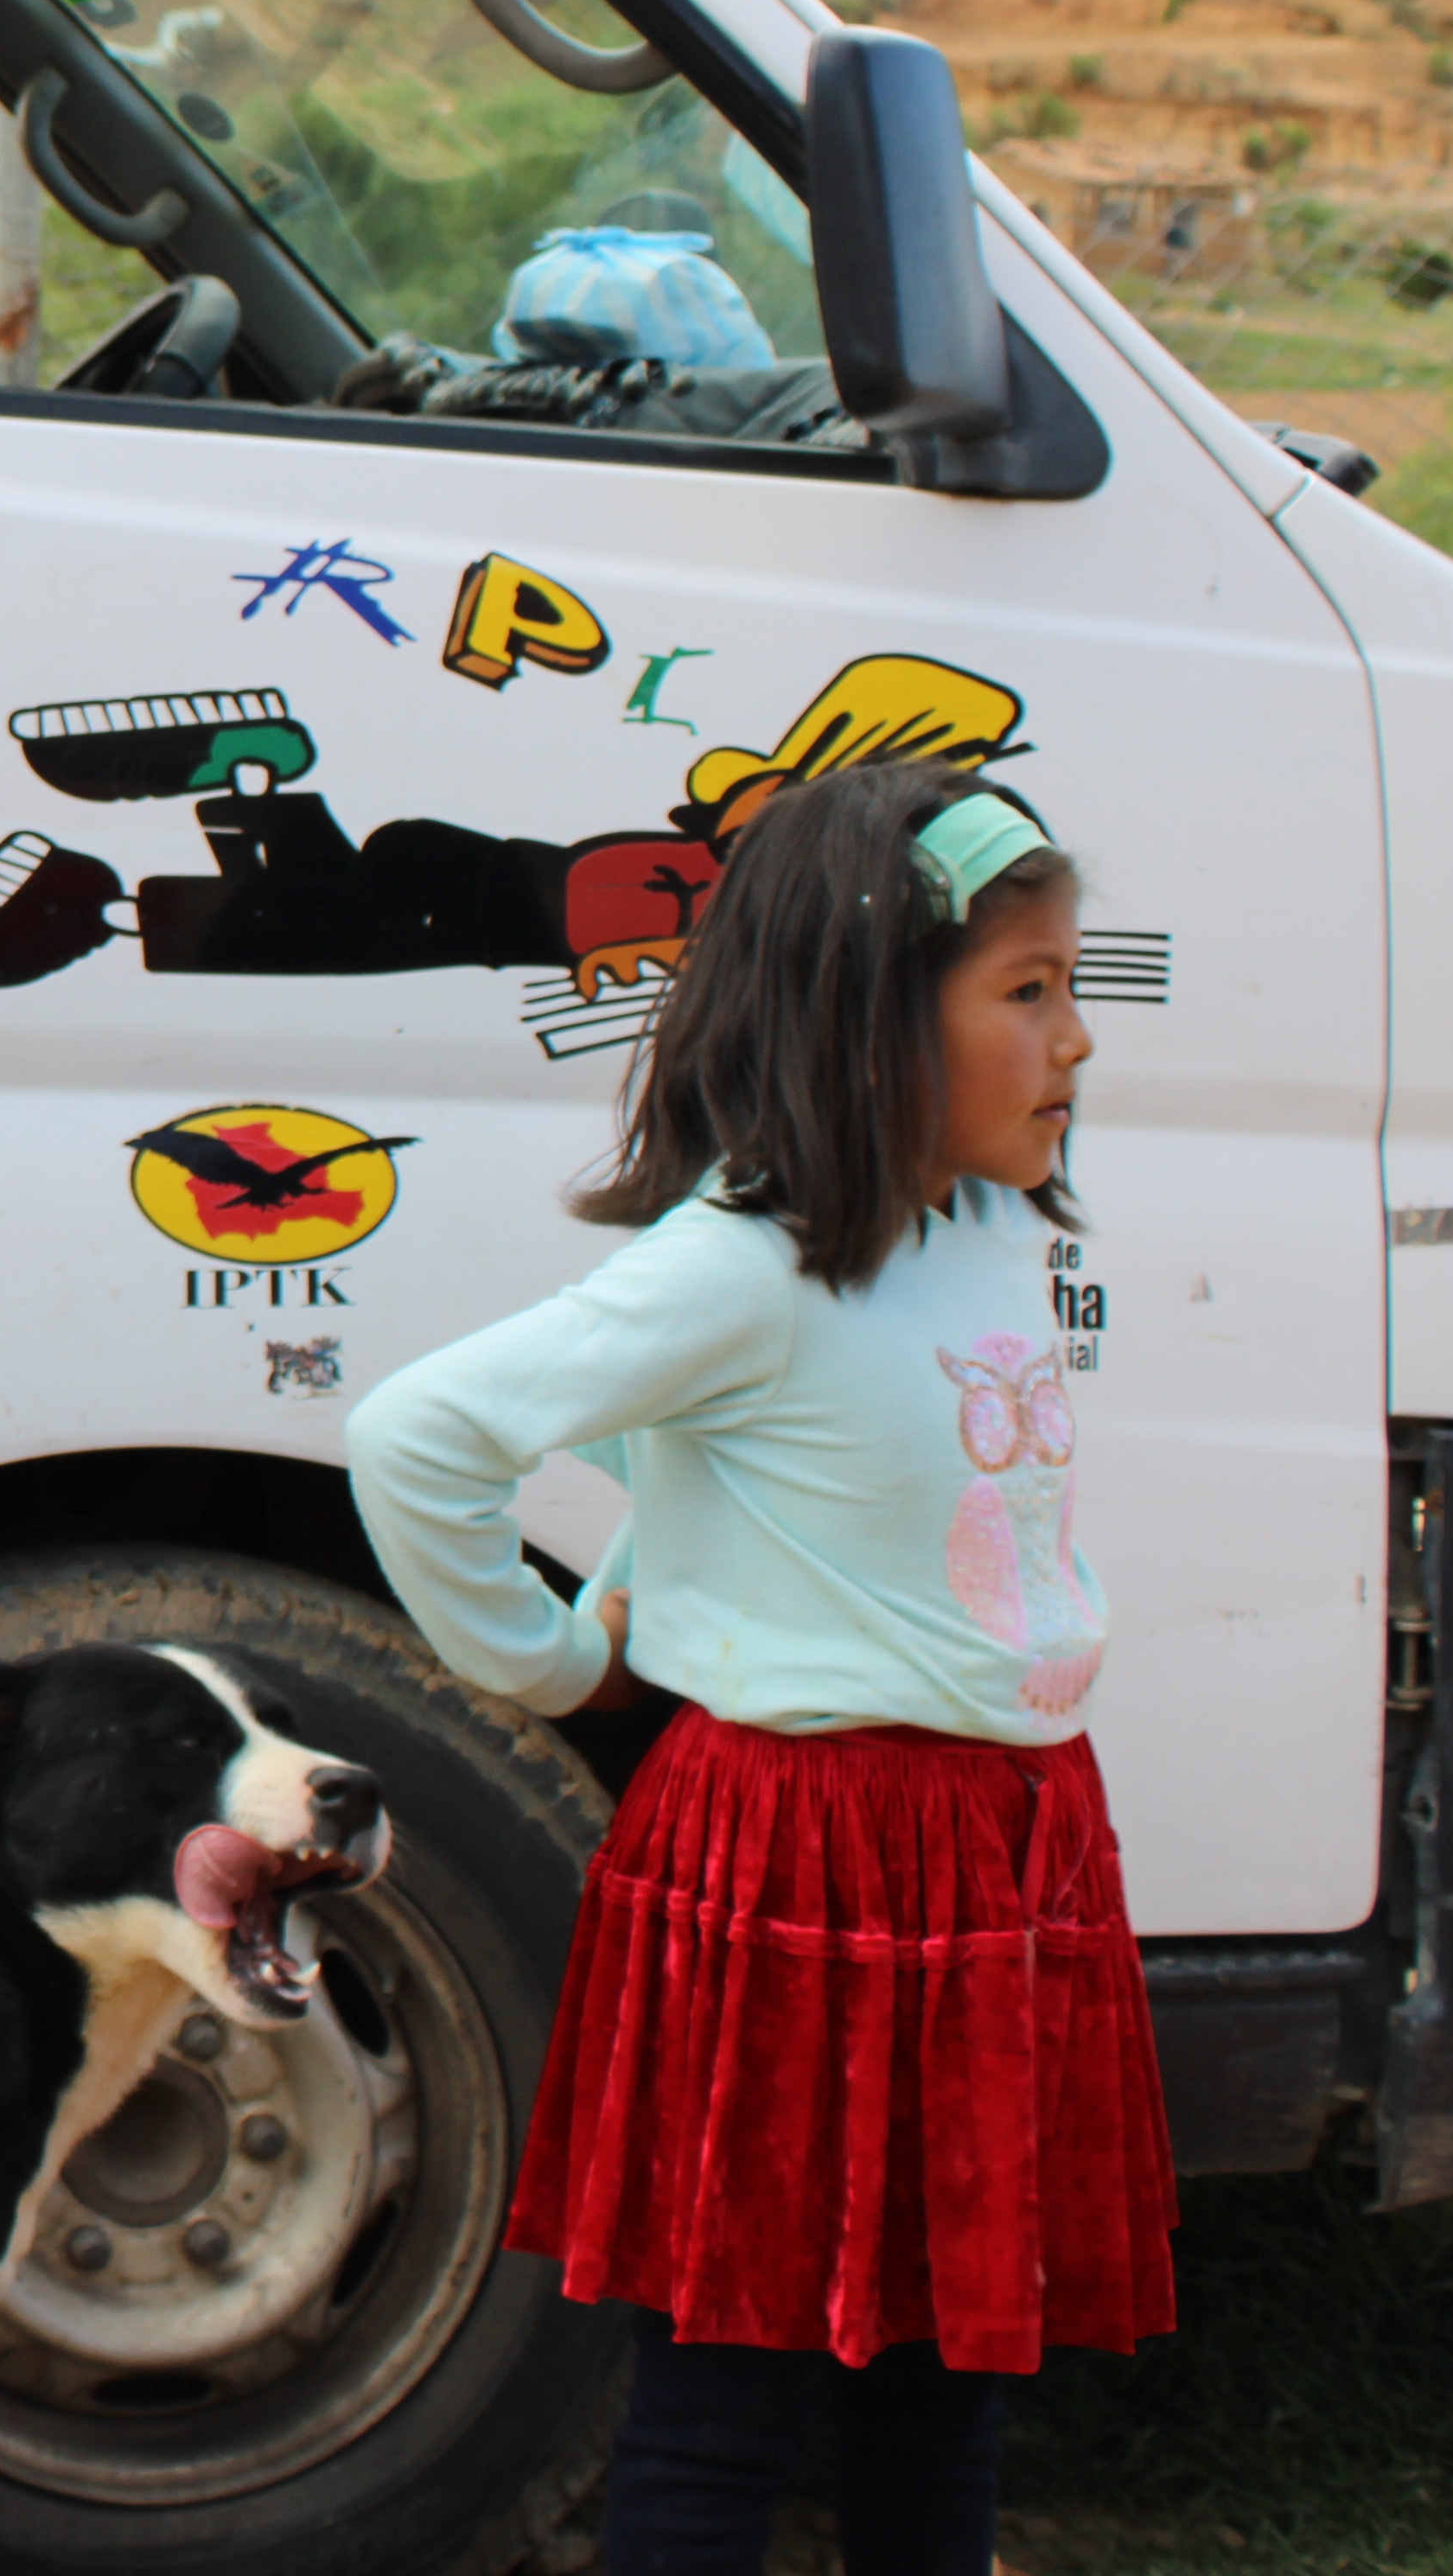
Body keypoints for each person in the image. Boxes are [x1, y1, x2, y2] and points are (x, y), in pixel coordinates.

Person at [345, 761, 1171, 2576]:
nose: (1076, 1041)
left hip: (995, 1852)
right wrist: (554, 1660)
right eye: (1027, 990)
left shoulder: (981, 1224)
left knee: (946, 2373)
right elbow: (422, 1434)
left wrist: (653, 1559)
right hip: (805, 1855)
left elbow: (702, 1461)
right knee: (731, 2390)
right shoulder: (743, 1262)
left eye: (1069, 986)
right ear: (872, 1015)